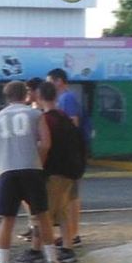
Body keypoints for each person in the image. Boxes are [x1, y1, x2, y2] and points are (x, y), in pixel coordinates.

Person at [0, 81, 62, 263]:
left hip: (7, 171)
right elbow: (46, 143)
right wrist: (39, 162)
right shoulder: (35, 114)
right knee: (43, 215)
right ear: (26, 95)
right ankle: (52, 260)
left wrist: (0, 169)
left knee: (7, 220)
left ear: (7, 96)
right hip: (32, 168)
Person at [34, 80, 86, 263]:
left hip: (53, 172)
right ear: (56, 97)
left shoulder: (44, 120)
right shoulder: (65, 118)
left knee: (43, 212)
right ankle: (67, 246)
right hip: (71, 171)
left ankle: (38, 249)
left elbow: (44, 145)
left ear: (38, 98)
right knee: (62, 211)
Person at [46, 68, 87, 248]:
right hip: (71, 154)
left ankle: (73, 233)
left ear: (59, 81)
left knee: (71, 197)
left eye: (50, 81)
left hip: (71, 155)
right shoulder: (63, 99)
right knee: (67, 197)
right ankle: (69, 234)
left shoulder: (66, 98)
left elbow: (73, 124)